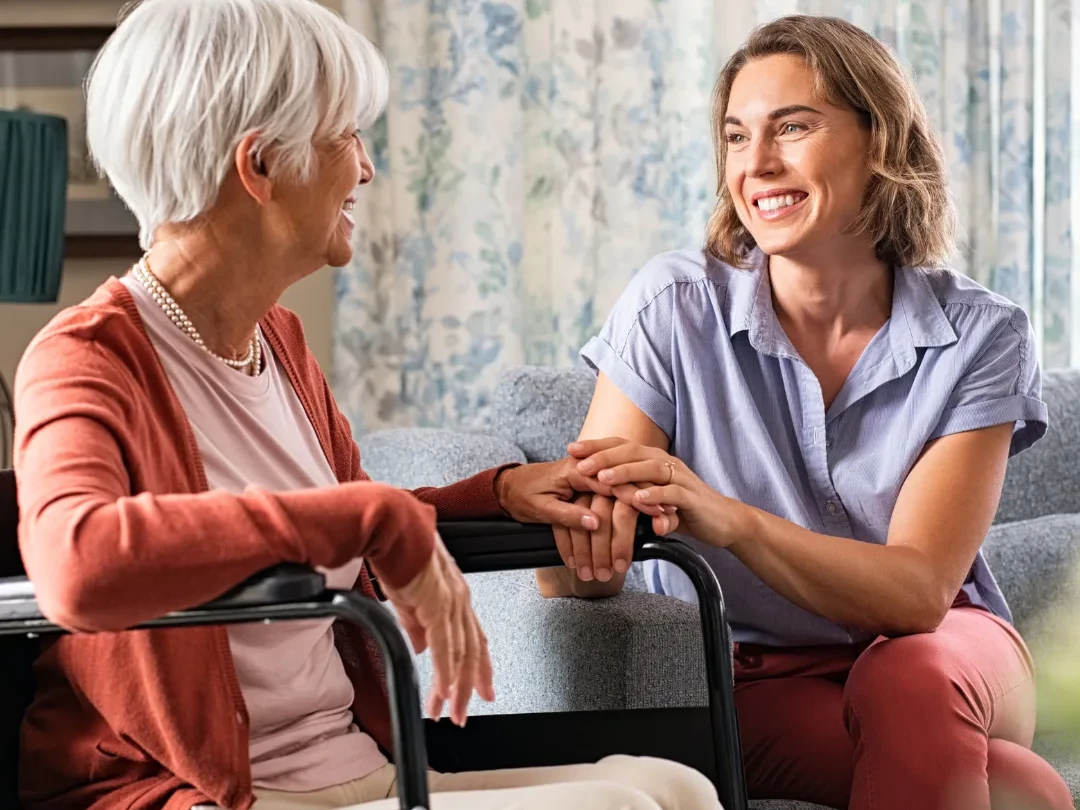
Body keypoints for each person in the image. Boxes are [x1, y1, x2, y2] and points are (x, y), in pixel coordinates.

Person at [11, 2, 721, 809]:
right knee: (617, 807)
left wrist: (490, 495)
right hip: (199, 789)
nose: (367, 167)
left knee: (673, 786)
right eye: (344, 137)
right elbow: (78, 566)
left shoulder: (276, 344)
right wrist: (367, 517)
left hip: (348, 771)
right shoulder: (88, 358)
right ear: (260, 166)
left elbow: (336, 520)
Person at [542, 14, 1074, 810]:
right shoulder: (672, 308)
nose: (756, 165)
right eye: (735, 136)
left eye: (792, 127)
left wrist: (732, 520)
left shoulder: (982, 335)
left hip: (945, 651)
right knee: (1025, 789)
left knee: (911, 675)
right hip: (760, 676)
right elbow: (569, 568)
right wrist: (589, 541)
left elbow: (917, 593)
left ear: (881, 141)